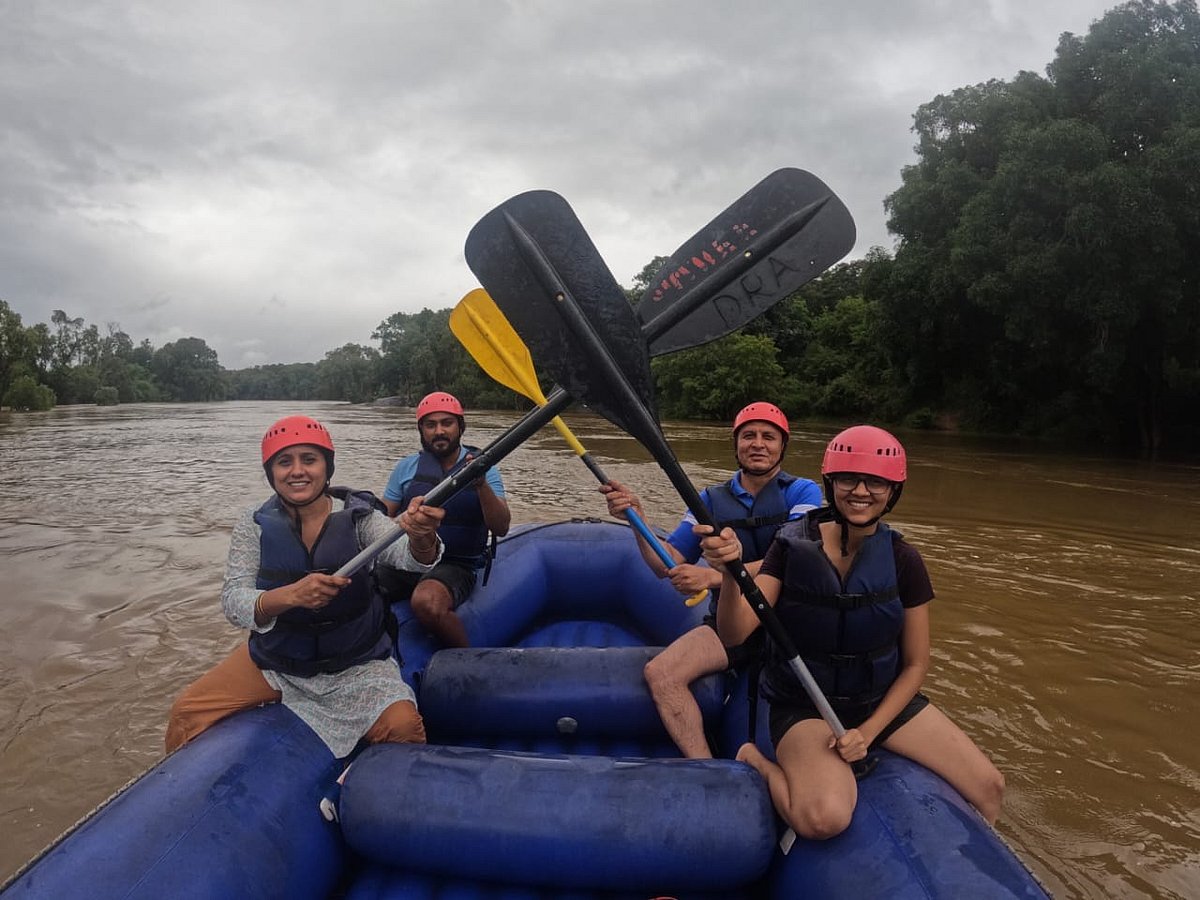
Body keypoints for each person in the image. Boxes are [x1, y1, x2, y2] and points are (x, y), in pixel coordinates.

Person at [698, 424, 1005, 839]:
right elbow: (735, 635)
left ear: (893, 491)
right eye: (848, 478)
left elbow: (916, 664)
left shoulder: (904, 560)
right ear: (830, 483)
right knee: (824, 819)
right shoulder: (789, 548)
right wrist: (732, 572)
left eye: (876, 481)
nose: (861, 491)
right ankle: (756, 761)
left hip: (876, 699)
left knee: (990, 786)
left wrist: (868, 732)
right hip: (805, 702)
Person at [165, 415, 445, 759]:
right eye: (285, 462)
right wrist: (289, 596)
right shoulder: (254, 524)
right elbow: (233, 600)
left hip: (355, 665)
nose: (297, 471)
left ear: (326, 466)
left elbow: (411, 559)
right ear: (271, 472)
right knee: (186, 713)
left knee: (404, 727)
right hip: (277, 663)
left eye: (309, 460)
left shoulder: (360, 518)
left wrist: (422, 536)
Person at [600, 402, 822, 759]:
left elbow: (797, 557)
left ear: (783, 446)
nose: (758, 444)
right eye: (748, 435)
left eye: (769, 436)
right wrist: (636, 518)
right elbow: (666, 563)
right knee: (661, 674)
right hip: (730, 621)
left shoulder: (803, 492)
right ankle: (704, 765)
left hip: (789, 621)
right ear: (736, 445)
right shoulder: (709, 499)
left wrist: (713, 576)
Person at [380, 391, 511, 648]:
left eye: (446, 423)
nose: (439, 431)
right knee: (354, 588)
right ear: (421, 430)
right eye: (430, 425)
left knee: (426, 602)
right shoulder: (405, 467)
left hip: (457, 563)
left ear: (460, 427)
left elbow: (501, 527)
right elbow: (380, 520)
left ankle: (467, 660)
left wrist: (481, 485)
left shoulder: (485, 468)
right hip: (410, 558)